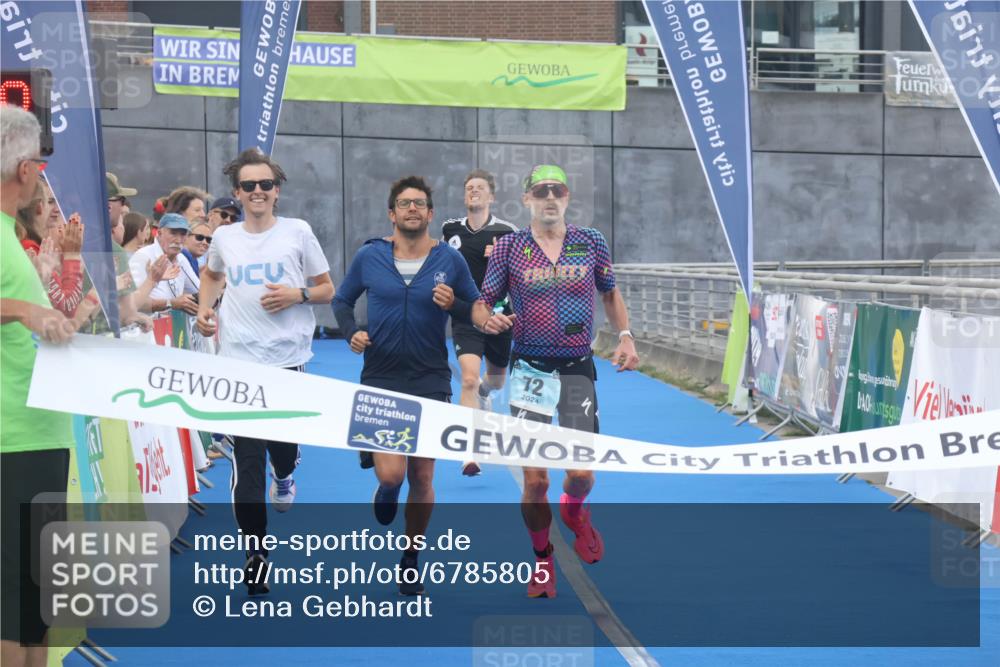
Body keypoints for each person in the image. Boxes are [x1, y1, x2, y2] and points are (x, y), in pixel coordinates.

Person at [477, 165, 640, 599]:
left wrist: (625, 337)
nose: (550, 197)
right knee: (535, 483)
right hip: (529, 370)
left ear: (567, 198)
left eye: (558, 190)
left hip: (576, 368)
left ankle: (574, 512)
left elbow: (609, 291)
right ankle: (543, 558)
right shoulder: (510, 247)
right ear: (526, 198)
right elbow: (482, 301)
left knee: (581, 476)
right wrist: (487, 319)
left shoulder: (590, 242)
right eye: (541, 191)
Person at [332, 175, 495, 596]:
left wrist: (455, 304)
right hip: (381, 376)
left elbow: (476, 311)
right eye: (404, 203)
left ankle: (410, 556)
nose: (411, 210)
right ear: (392, 213)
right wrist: (351, 331)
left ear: (430, 214)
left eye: (419, 204)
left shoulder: (449, 261)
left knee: (422, 476)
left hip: (429, 378)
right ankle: (384, 487)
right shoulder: (370, 256)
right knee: (392, 475)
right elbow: (341, 300)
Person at [196, 148, 334, 596]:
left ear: (276, 191)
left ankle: (287, 473)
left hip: (289, 359)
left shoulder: (298, 232)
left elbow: (327, 288)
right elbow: (213, 276)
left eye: (266, 185)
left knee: (282, 451)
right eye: (249, 186)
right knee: (246, 461)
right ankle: (256, 552)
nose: (258, 192)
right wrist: (204, 309)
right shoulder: (226, 238)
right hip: (239, 362)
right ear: (238, 193)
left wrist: (297, 294)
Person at [1, 103, 77, 667]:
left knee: (37, 592)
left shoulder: (9, 234)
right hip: (12, 438)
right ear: (26, 169)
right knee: (12, 598)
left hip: (42, 430)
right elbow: (24, 311)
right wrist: (26, 310)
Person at [441, 169, 517, 476]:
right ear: (465, 195)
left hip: (499, 317)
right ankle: (470, 452)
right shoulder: (449, 229)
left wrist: (501, 256)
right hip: (466, 316)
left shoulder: (507, 231)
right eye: (469, 188)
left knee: (494, 380)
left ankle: (485, 396)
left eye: (480, 187)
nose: (474, 191)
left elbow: (519, 273)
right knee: (469, 379)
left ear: (491, 196)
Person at [128, 213, 198, 315]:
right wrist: (170, 303)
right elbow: (132, 302)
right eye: (173, 233)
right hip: (146, 327)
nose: (178, 240)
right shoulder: (142, 256)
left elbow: (197, 290)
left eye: (183, 234)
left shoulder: (181, 259)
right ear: (159, 233)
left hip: (173, 326)